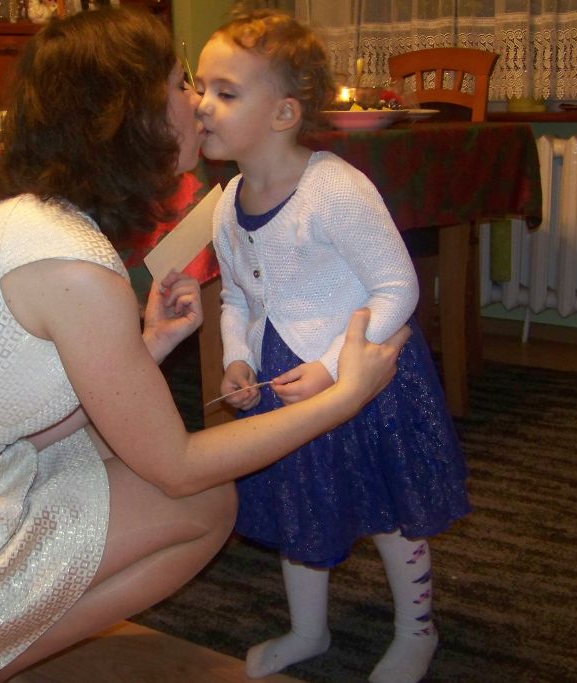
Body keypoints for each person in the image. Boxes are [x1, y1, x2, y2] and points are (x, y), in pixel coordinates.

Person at [0, 7, 410, 683]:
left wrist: (147, 342)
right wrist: (342, 398)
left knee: (115, 446)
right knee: (206, 502)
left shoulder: (23, 217)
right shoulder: (77, 268)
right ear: (130, 118)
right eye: (179, 85)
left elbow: (15, 405)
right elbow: (179, 468)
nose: (196, 103)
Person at [194, 10, 470, 683]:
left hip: (364, 378)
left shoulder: (334, 189)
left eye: (225, 92)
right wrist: (236, 357)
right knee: (302, 501)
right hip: (284, 383)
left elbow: (397, 286)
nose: (201, 105)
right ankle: (308, 630)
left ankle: (417, 630)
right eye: (199, 87)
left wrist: (330, 369)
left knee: (389, 509)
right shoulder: (226, 203)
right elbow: (237, 298)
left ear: (284, 112)